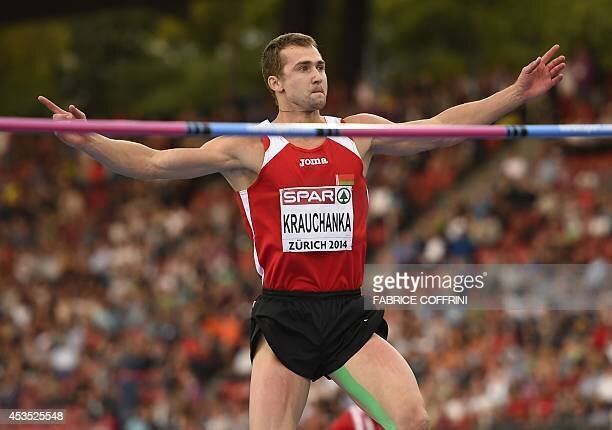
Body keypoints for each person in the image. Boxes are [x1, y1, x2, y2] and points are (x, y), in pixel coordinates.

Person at [38, 33, 565, 430]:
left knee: (413, 420)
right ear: (275, 82)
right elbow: (154, 163)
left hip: (347, 314)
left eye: (321, 66)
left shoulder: (356, 134)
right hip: (285, 315)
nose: (318, 76)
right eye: (304, 68)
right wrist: (90, 142)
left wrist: (515, 94)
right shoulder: (247, 148)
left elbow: (441, 130)